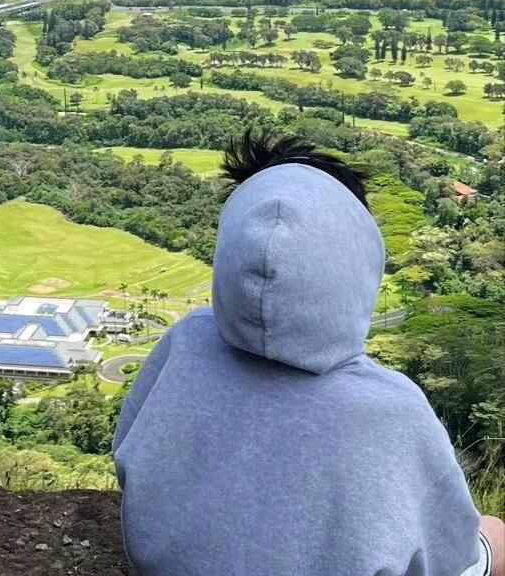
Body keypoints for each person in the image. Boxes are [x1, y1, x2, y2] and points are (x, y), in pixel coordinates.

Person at [114, 132, 503, 576]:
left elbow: (129, 458)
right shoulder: (392, 407)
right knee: (495, 536)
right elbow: (447, 556)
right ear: (355, 256)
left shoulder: (183, 343)